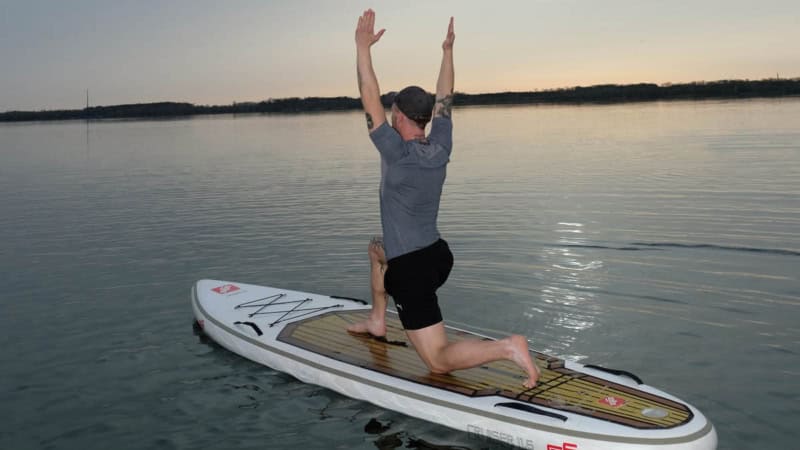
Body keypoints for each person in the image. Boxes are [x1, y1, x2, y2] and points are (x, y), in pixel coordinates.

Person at [347, 9, 539, 388]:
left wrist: (362, 48)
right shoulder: (440, 144)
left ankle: (508, 347)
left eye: (391, 112)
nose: (386, 115)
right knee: (376, 250)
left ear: (399, 116)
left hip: (414, 269)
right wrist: (447, 52)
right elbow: (446, 98)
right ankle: (377, 320)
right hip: (437, 255)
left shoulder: (395, 154)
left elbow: (368, 94)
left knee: (437, 362)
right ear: (425, 118)